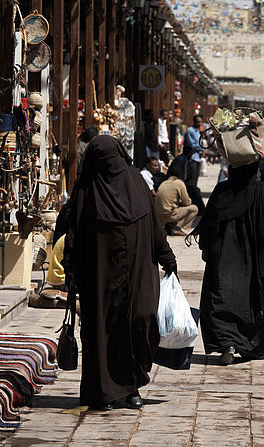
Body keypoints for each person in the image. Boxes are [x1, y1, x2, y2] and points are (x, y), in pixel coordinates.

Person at [63, 135, 177, 411]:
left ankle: (132, 385)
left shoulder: (136, 182)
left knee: (140, 321)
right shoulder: (86, 189)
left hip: (138, 271)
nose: (109, 166)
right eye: (103, 162)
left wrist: (167, 256)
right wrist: (71, 270)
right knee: (102, 330)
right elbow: (74, 234)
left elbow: (153, 223)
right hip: (99, 275)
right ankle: (102, 393)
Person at [188, 162, 264, 365]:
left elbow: (209, 223)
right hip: (255, 263)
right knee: (251, 302)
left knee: (222, 298)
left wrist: (207, 248)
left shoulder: (222, 191)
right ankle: (243, 343)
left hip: (223, 259)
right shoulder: (262, 194)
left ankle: (228, 343)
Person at [155, 164, 198, 236]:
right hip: (169, 214)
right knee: (194, 208)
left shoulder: (164, 182)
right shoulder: (179, 183)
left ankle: (169, 227)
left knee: (174, 206)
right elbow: (187, 202)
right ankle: (177, 228)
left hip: (158, 214)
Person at [184, 115, 205, 187]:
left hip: (198, 158)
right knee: (191, 178)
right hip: (191, 158)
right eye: (197, 122)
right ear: (194, 122)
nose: (199, 124)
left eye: (200, 122)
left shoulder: (198, 131)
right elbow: (191, 144)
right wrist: (202, 149)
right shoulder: (190, 131)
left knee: (195, 178)